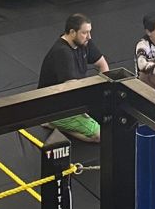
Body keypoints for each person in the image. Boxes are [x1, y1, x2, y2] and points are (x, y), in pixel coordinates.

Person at [37, 13, 110, 142]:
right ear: (72, 32)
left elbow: (103, 64)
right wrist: (89, 108)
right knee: (100, 135)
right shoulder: (63, 52)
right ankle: (52, 121)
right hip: (55, 106)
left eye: (89, 32)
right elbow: (73, 90)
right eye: (84, 33)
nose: (89, 36)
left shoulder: (84, 42)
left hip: (72, 98)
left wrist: (106, 92)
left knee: (113, 112)